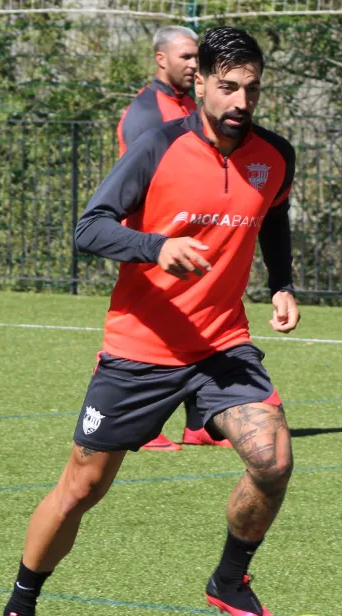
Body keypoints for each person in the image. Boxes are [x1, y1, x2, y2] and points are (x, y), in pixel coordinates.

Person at [0, 26, 299, 616]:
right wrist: (157, 246)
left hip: (221, 345)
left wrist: (283, 282)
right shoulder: (158, 148)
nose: (241, 100)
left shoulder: (275, 155)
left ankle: (229, 583)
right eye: (228, 86)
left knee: (272, 461)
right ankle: (18, 609)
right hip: (140, 347)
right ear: (200, 82)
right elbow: (89, 227)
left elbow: (275, 212)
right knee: (81, 488)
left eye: (253, 89)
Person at [117, 25, 231, 452]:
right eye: (185, 57)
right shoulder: (148, 113)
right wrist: (153, 244)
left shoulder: (186, 104)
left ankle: (201, 423)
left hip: (193, 241)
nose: (192, 63)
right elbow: (136, 184)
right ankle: (136, 425)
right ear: (160, 59)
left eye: (196, 57)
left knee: (205, 326)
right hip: (152, 245)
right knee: (145, 330)